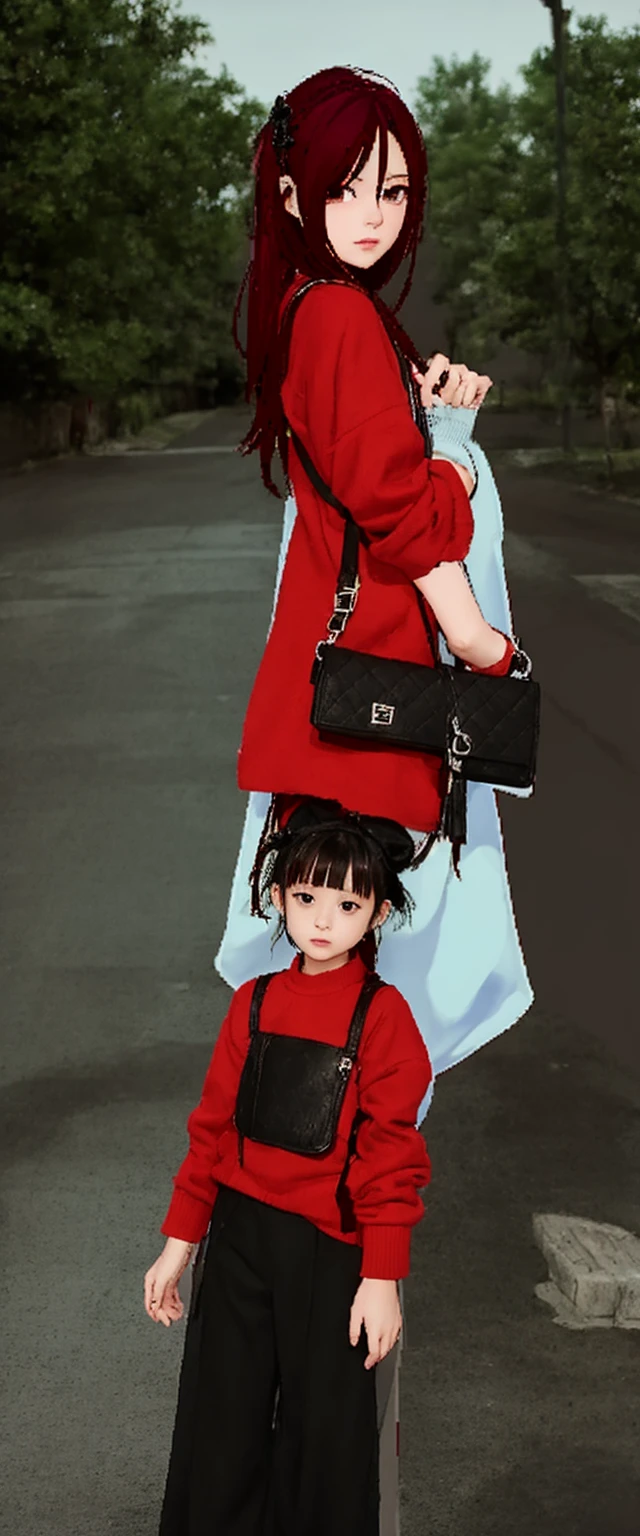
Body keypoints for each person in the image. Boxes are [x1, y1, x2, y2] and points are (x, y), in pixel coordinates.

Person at [216, 65, 534, 1114]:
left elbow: (373, 495)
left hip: (345, 708)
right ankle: (328, 1258)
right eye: (346, 186)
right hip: (373, 709)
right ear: (294, 194)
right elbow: (405, 519)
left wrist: (434, 431)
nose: (372, 215)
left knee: (334, 1015)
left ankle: (310, 1250)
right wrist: (480, 641)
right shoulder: (340, 319)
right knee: (361, 1034)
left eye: (393, 191)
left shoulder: (309, 313)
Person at [145, 809, 433, 1536]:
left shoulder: (385, 1017)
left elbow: (390, 1155)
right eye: (306, 898)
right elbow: (212, 1129)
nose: (323, 921)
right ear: (277, 898)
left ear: (379, 912)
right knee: (222, 1427)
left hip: (329, 1254)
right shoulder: (256, 1002)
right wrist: (179, 1245)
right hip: (238, 1245)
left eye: (348, 904)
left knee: (326, 1444)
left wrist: (380, 1277)